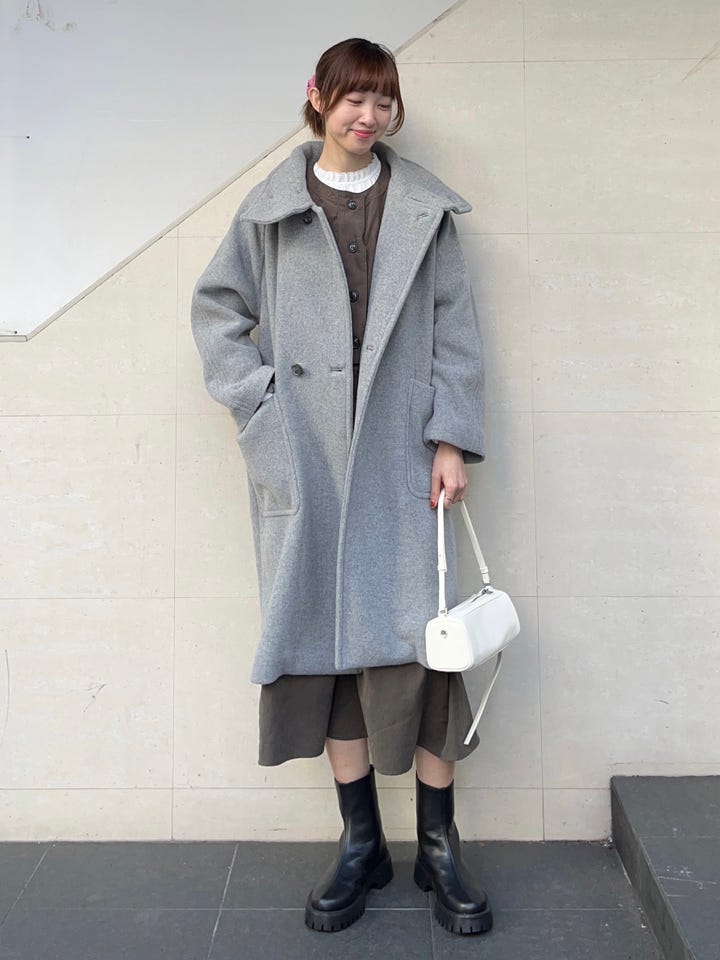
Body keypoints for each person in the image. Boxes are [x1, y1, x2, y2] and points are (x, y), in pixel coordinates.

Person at [191, 38, 491, 937]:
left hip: (404, 458)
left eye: (384, 101)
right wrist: (263, 412)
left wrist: (450, 439)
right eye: (354, 98)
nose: (370, 115)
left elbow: (455, 329)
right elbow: (218, 312)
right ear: (317, 97)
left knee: (427, 649)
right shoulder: (271, 210)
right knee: (326, 650)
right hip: (310, 462)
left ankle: (438, 845)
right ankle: (361, 843)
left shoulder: (425, 211)